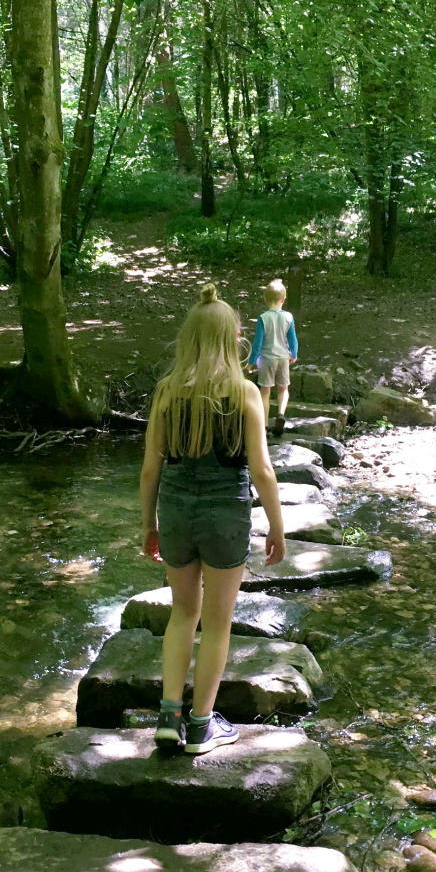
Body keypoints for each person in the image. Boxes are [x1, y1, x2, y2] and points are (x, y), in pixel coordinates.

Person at [140, 283, 286, 755]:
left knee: (183, 614)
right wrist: (277, 527)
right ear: (234, 338)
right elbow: (262, 470)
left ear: (188, 337)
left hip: (177, 512)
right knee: (218, 623)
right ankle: (201, 727)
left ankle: (168, 717)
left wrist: (149, 524)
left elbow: (150, 469)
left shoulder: (166, 392)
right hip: (226, 516)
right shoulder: (244, 393)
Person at [247, 278, 298, 435]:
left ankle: (263, 425)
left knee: (265, 391)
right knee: (283, 389)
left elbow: (258, 343)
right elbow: (293, 339)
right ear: (283, 299)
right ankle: (281, 414)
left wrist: (251, 362)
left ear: (266, 299)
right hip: (283, 358)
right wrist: (293, 354)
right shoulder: (288, 317)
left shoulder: (263, 318)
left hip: (267, 359)